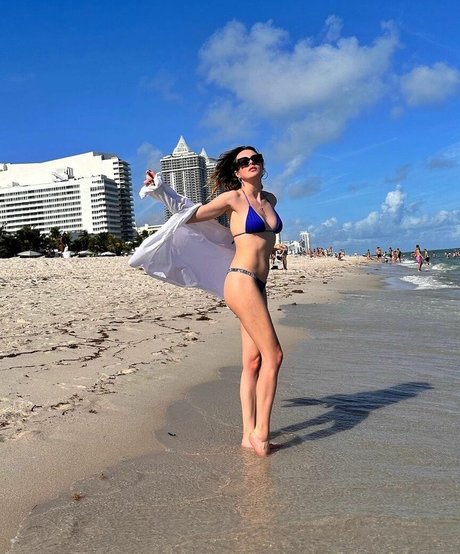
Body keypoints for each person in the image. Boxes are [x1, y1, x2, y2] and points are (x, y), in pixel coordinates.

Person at [143, 146, 283, 457]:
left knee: (253, 362)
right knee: (274, 356)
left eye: (255, 159)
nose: (250, 163)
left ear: (262, 164)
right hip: (241, 280)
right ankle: (262, 435)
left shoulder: (270, 200)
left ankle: (247, 436)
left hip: (259, 284)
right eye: (243, 161)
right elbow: (191, 214)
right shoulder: (233, 199)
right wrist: (161, 189)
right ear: (236, 171)